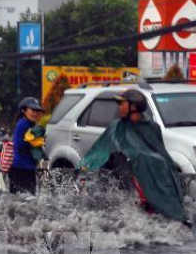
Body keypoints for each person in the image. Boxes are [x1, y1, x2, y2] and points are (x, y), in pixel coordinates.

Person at [80, 89, 191, 227]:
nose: (120, 108)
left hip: (148, 169)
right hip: (123, 168)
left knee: (164, 166)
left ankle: (170, 210)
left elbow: (160, 151)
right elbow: (102, 149)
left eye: (123, 104)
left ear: (133, 106)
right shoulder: (116, 127)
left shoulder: (152, 127)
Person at [9, 97, 45, 195]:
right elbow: (22, 146)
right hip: (20, 170)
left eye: (37, 111)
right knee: (22, 201)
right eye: (33, 110)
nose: (36, 113)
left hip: (28, 169)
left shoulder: (31, 124)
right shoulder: (23, 125)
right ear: (24, 110)